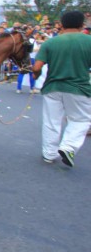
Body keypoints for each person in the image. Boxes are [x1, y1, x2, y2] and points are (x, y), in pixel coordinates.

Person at [32, 11, 91, 167]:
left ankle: (49, 154)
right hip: (80, 88)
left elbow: (37, 67)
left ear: (62, 25)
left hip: (53, 87)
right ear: (81, 25)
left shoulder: (50, 43)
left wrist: (36, 76)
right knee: (81, 119)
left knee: (51, 121)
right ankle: (68, 147)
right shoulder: (89, 41)